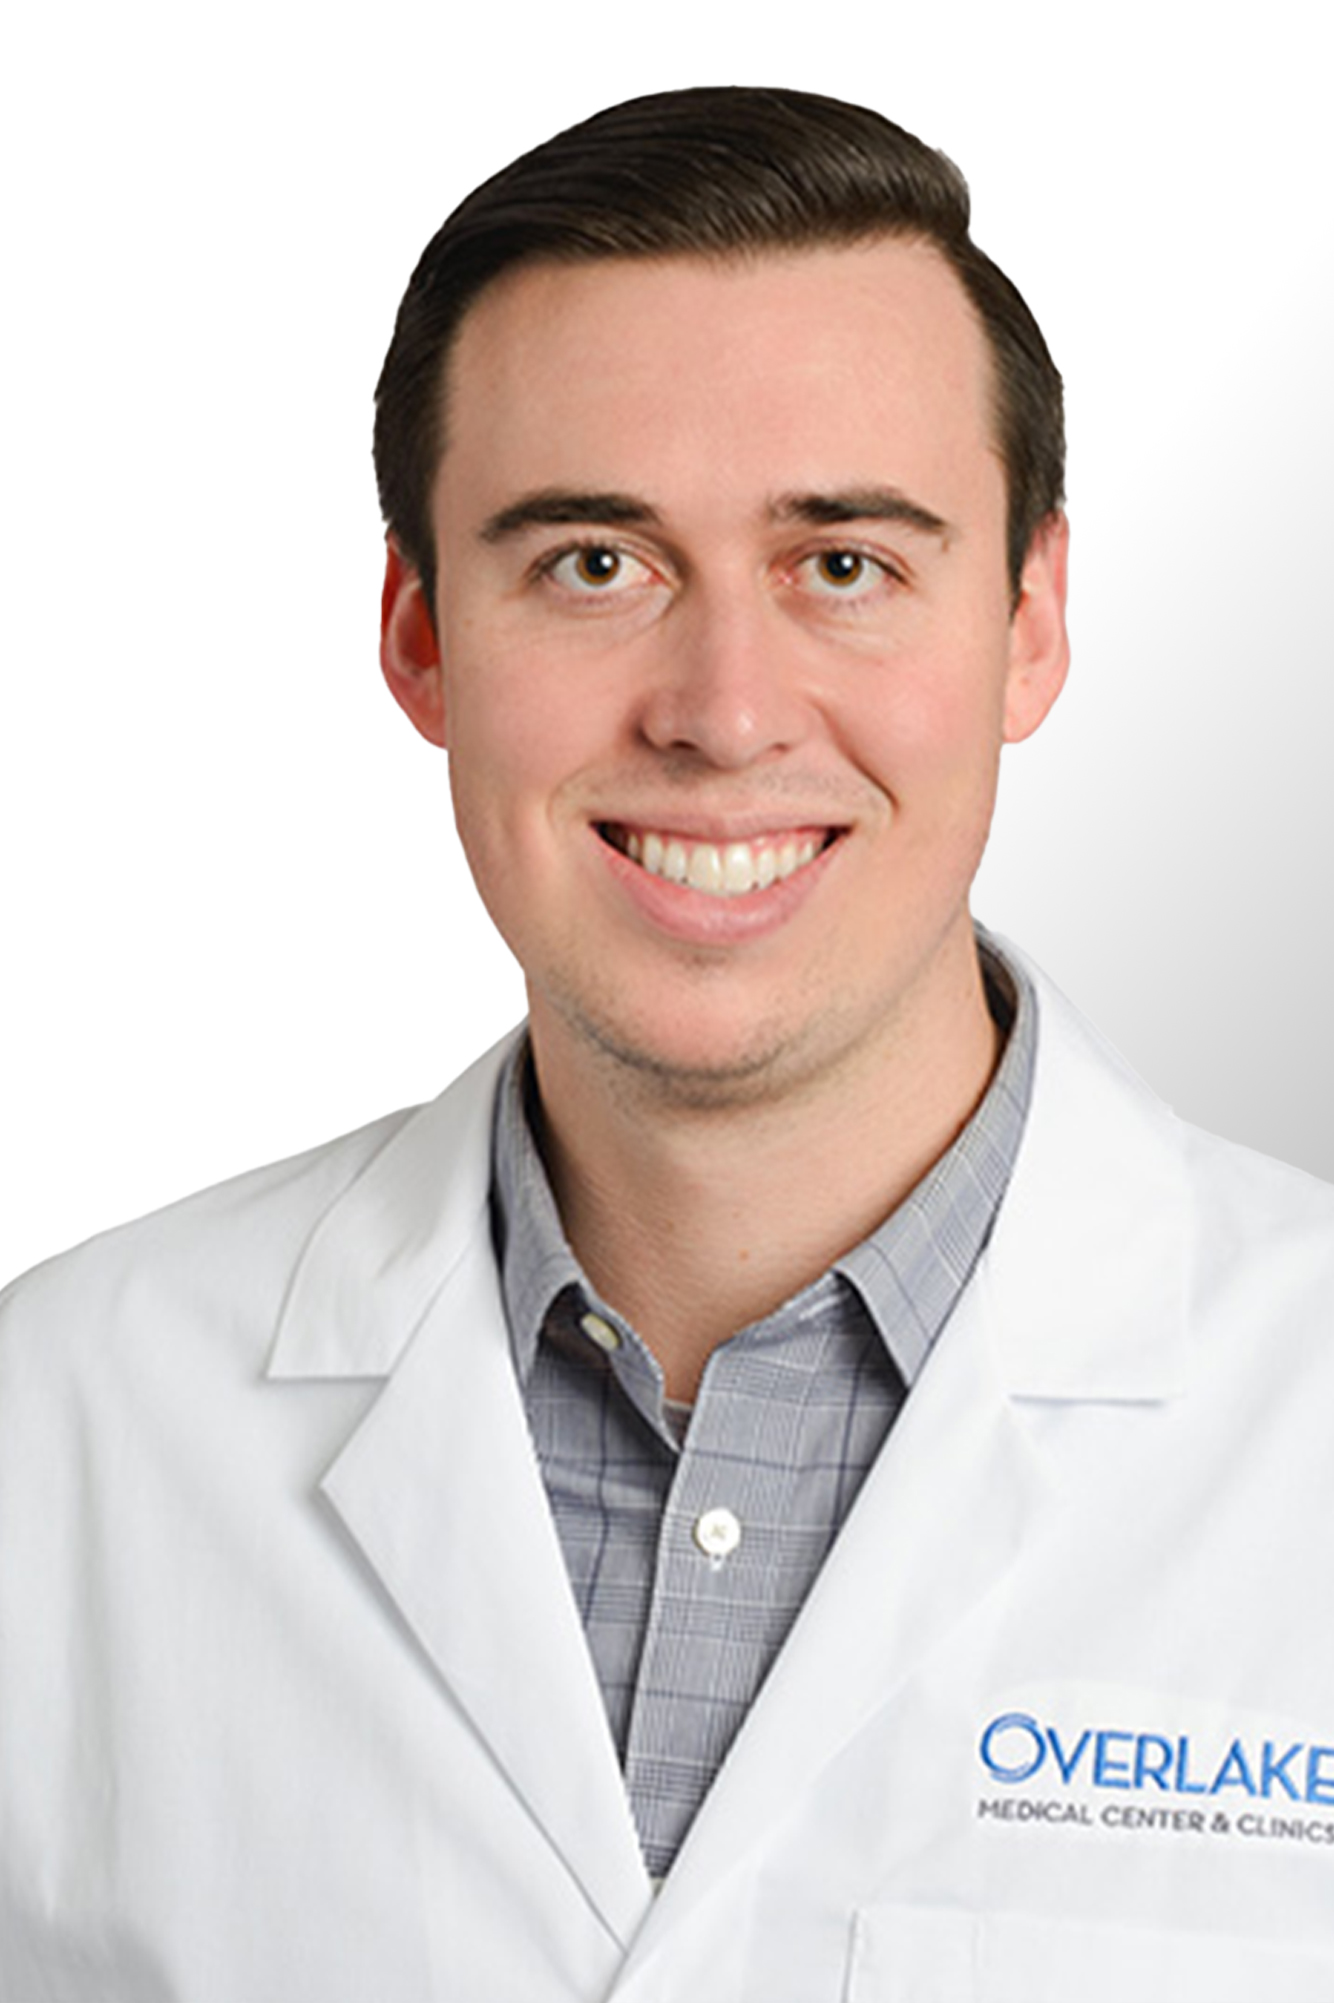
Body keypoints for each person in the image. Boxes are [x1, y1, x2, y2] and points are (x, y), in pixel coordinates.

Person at [2, 85, 1332, 2003]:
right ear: (420, 636)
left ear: (1029, 622)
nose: (721, 712)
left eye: (843, 564)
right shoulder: (66, 1425)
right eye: (593, 564)